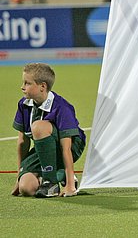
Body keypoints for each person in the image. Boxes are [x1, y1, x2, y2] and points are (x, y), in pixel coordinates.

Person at [11, 63, 86, 198]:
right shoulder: (23, 105)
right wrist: (19, 176)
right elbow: (23, 142)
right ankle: (59, 173)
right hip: (45, 148)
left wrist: (70, 186)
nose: (22, 87)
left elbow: (66, 148)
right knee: (26, 188)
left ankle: (51, 183)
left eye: (27, 83)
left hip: (72, 146)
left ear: (42, 86)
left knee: (39, 127)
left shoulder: (62, 108)